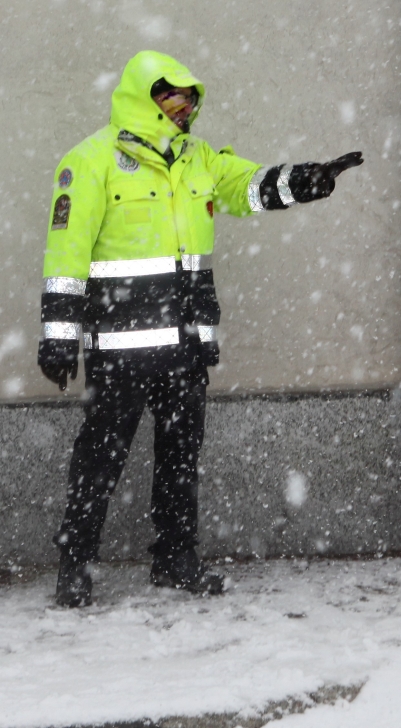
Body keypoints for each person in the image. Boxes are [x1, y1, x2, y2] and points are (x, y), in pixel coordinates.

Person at [37, 50, 363, 608]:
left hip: (186, 347)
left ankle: (175, 559)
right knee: (99, 461)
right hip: (121, 351)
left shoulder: (198, 159)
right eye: (172, 98)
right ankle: (75, 567)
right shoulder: (91, 161)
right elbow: (65, 255)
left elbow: (249, 186)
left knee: (181, 461)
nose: (183, 109)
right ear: (144, 98)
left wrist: (304, 181)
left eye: (189, 100)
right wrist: (59, 335)